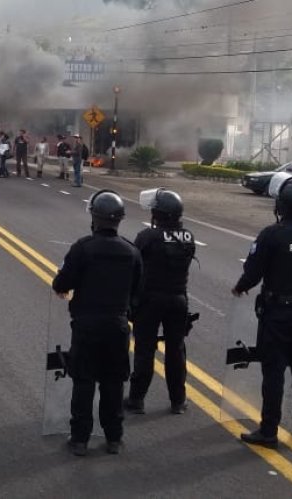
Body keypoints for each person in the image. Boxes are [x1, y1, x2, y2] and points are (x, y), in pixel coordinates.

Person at [232, 177, 292, 447]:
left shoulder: (271, 235)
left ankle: (268, 431)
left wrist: (240, 288)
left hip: (277, 315)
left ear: (281, 205)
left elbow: (253, 272)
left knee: (274, 372)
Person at [51, 190, 141, 456]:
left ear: (95, 217)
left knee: (84, 381)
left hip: (87, 325)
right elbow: (138, 291)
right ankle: (114, 437)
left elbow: (62, 283)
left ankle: (80, 439)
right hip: (117, 326)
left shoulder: (83, 248)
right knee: (114, 382)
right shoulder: (131, 251)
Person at [125, 189, 195, 415]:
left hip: (151, 300)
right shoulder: (189, 237)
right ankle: (178, 400)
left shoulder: (148, 236)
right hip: (178, 299)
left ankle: (137, 399)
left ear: (158, 214)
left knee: (145, 349)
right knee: (176, 350)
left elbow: (134, 265)